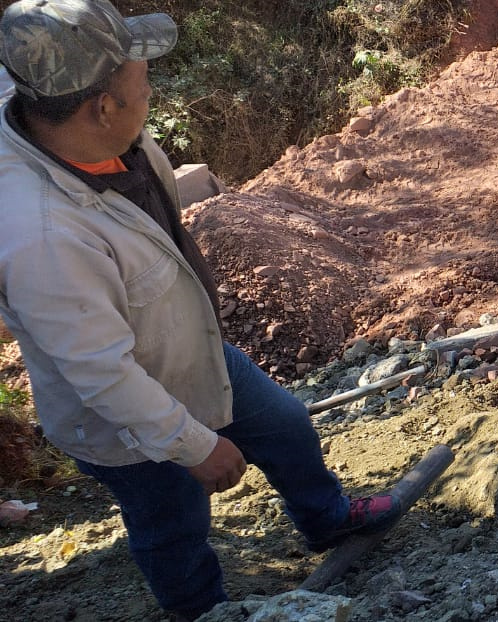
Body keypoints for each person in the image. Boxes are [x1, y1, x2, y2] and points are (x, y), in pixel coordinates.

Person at [0, 1, 401, 619]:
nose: (152, 91)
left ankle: (327, 518)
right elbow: (103, 375)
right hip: (124, 419)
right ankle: (202, 610)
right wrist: (192, 445)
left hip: (188, 353)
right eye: (143, 82)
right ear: (102, 107)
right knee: (172, 523)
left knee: (286, 425)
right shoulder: (45, 238)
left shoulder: (55, 106)